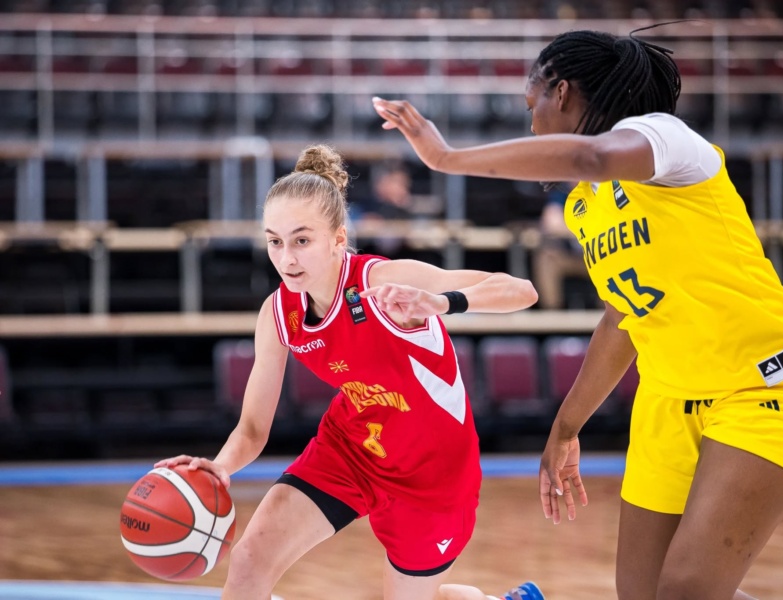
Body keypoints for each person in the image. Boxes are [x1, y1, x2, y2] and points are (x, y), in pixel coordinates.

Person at [373, 27, 783, 600]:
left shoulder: (666, 140)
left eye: (532, 106)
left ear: (562, 92)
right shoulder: (584, 205)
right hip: (670, 398)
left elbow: (592, 154)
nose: (531, 125)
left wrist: (446, 157)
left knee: (686, 591)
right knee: (642, 594)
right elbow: (623, 317)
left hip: (764, 381)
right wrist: (566, 426)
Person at [156, 145, 543, 600]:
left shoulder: (383, 282)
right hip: (351, 450)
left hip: (433, 474)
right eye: (275, 241)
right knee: (248, 562)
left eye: (302, 241)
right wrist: (220, 467)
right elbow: (253, 429)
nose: (287, 258)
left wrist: (442, 302)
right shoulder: (278, 313)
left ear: (338, 239)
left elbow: (522, 290)